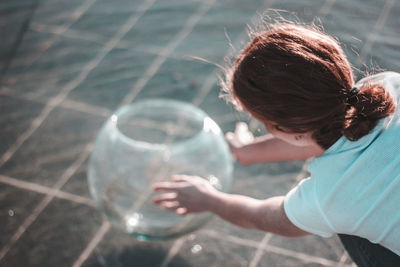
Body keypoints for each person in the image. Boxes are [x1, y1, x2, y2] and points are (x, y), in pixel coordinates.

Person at [152, 22, 400, 266]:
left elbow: (261, 217)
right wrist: (246, 152)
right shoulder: (388, 86)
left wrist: (209, 199)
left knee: (345, 223)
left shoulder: (329, 199)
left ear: (285, 129)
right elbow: (328, 130)